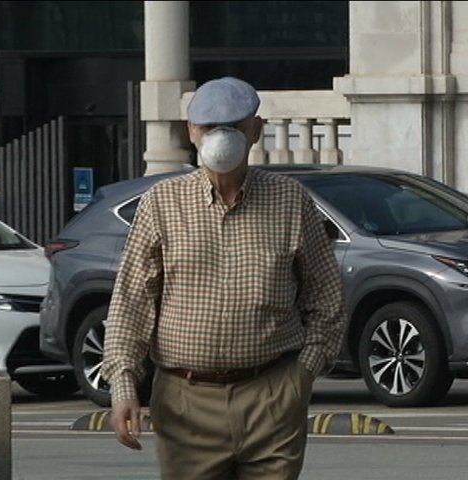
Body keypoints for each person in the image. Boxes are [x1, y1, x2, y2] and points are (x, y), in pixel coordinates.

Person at [103, 77, 345, 479]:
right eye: (208, 127)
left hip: (272, 392)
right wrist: (124, 385)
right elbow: (131, 302)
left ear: (255, 130)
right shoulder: (162, 203)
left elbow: (326, 298)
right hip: (186, 402)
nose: (219, 137)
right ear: (191, 132)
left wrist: (301, 375)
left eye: (231, 126)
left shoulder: (290, 200)